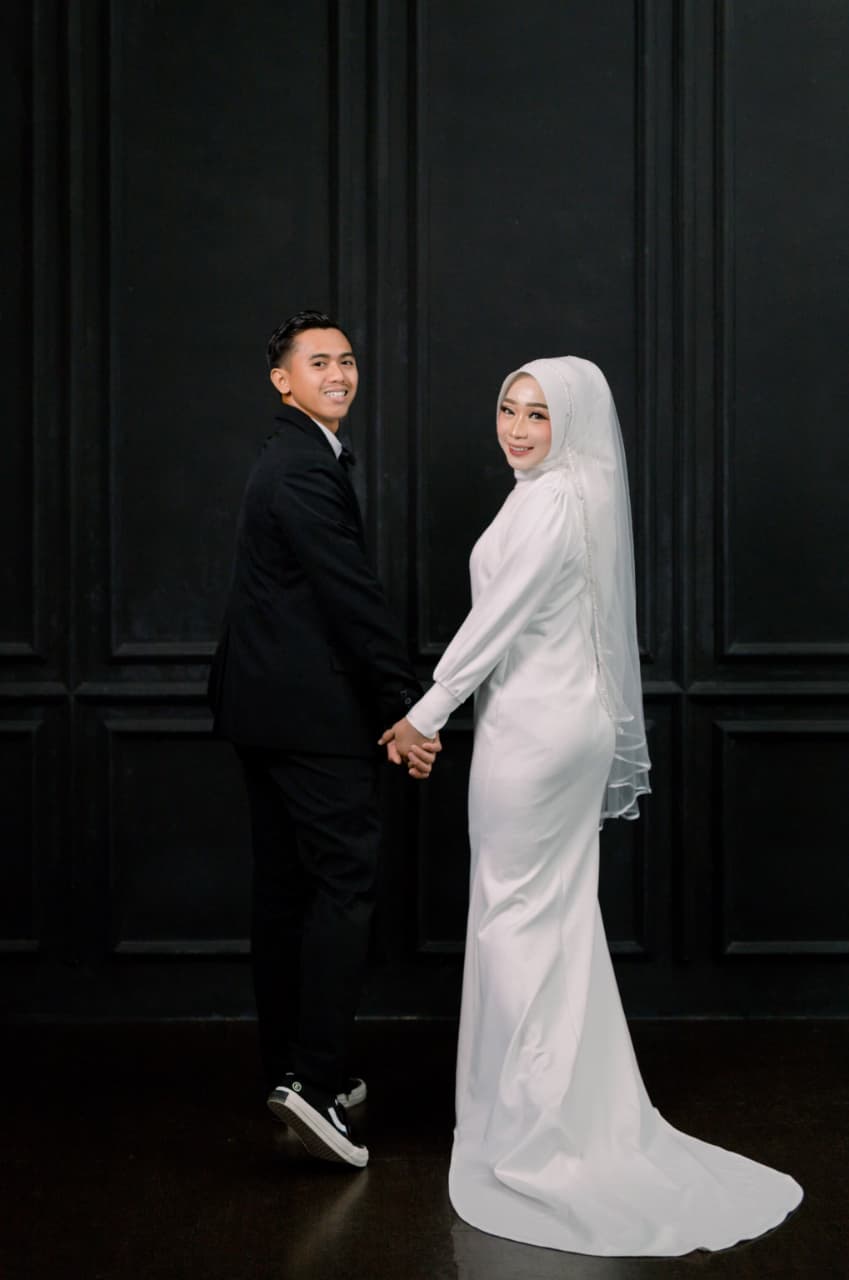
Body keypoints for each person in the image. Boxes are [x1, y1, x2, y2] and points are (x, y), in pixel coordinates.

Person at [381, 356, 802, 1254]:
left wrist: (425, 713)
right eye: (507, 408)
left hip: (535, 733)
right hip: (555, 723)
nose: (516, 428)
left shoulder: (556, 502)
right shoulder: (556, 492)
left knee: (514, 916)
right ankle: (555, 1113)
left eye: (537, 415)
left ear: (570, 424)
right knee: (550, 916)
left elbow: (496, 619)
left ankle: (536, 1132)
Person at [208, 310, 440, 1170]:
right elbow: (348, 594)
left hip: (261, 709)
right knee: (342, 885)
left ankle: (297, 1069)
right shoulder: (304, 466)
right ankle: (312, 1081)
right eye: (318, 363)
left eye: (346, 360)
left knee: (287, 892)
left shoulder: (292, 454)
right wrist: (407, 707)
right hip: (308, 715)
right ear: (283, 380)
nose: (339, 374)